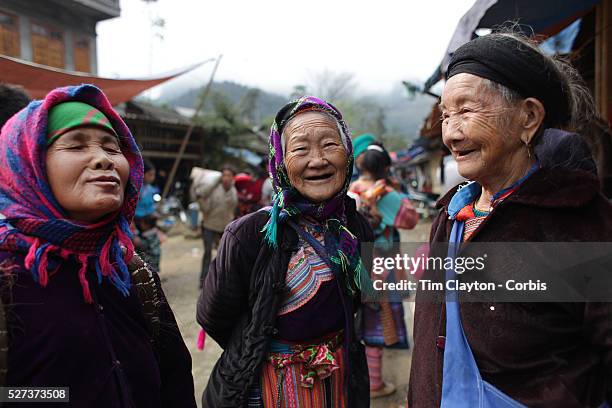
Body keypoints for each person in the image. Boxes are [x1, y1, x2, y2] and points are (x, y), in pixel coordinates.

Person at [408, 32, 612, 407]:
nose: (451, 133)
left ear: (529, 117)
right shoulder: (451, 215)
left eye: (467, 111)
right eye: (446, 115)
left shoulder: (579, 224)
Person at [0, 84, 196, 408]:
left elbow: (174, 380)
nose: (103, 159)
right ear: (29, 164)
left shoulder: (131, 272)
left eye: (112, 147)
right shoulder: (7, 274)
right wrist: (60, 397)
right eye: (76, 146)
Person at [197, 96, 374, 407]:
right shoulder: (249, 234)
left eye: (330, 144)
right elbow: (214, 315)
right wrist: (268, 349)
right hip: (272, 385)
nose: (317, 160)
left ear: (348, 154)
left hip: (340, 377)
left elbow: (361, 300)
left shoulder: (356, 226)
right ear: (280, 159)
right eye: (300, 149)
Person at [349, 144, 418, 399]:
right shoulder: (386, 194)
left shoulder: (351, 190)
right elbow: (409, 220)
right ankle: (374, 384)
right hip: (381, 264)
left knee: (361, 318)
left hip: (357, 263)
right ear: (385, 168)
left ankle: (363, 378)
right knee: (380, 321)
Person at [195, 164, 237, 288]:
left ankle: (221, 281)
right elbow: (204, 203)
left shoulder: (233, 191)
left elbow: (232, 209)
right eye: (224, 175)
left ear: (233, 178)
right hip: (209, 225)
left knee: (224, 254)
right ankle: (203, 280)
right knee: (207, 253)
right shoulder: (213, 189)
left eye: (229, 175)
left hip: (224, 227)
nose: (226, 178)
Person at [134, 158, 162, 271]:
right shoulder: (134, 190)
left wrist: (154, 213)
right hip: (138, 227)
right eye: (150, 174)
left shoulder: (152, 190)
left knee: (155, 253)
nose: (152, 177)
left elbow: (152, 207)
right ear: (143, 174)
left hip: (150, 226)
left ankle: (154, 276)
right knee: (140, 257)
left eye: (153, 175)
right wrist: (134, 234)